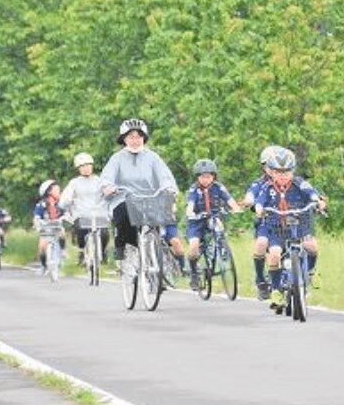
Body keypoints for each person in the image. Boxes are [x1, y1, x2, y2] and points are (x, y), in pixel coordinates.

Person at [99, 118, 184, 277]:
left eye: (138, 136)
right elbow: (107, 177)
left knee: (160, 226)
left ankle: (161, 259)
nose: (135, 140)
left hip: (151, 199)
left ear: (144, 138)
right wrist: (107, 186)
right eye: (131, 136)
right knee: (124, 214)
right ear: (124, 139)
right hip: (124, 198)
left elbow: (165, 176)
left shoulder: (153, 157)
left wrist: (169, 188)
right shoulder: (117, 158)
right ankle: (125, 251)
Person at [252, 147, 326, 311]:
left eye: (286, 172)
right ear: (272, 172)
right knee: (275, 255)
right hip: (276, 228)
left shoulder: (299, 183)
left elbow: (311, 193)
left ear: (292, 171)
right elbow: (259, 201)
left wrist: (318, 202)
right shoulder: (267, 187)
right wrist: (258, 208)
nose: (283, 176)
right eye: (278, 172)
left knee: (311, 245)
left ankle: (311, 272)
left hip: (301, 225)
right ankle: (277, 289)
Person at [183, 159, 243, 290]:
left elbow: (229, 199)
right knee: (193, 246)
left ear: (213, 176)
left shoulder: (218, 187)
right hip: (196, 221)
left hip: (214, 217)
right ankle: (194, 273)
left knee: (218, 224)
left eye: (208, 176)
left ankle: (222, 247)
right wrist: (190, 212)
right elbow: (191, 204)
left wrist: (236, 208)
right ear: (198, 177)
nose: (205, 179)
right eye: (202, 176)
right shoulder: (194, 189)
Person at [60, 152, 111, 267]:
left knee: (104, 233)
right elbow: (64, 198)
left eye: (88, 165)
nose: (86, 168)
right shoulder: (74, 183)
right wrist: (67, 200)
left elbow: (108, 192)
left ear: (92, 166)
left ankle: (102, 252)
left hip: (99, 213)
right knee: (81, 230)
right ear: (78, 169)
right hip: (82, 214)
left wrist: (109, 193)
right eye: (82, 166)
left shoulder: (100, 181)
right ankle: (82, 252)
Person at [244, 145, 279, 297]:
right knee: (261, 243)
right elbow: (251, 195)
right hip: (267, 221)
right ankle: (260, 280)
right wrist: (250, 201)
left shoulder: (290, 180)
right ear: (263, 167)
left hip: (289, 222)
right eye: (267, 166)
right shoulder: (259, 183)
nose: (271, 169)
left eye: (274, 165)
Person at [33, 180, 67, 275]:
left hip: (57, 226)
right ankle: (43, 265)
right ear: (48, 192)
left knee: (62, 233)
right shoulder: (42, 204)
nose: (58, 191)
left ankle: (63, 251)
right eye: (55, 189)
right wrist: (37, 224)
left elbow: (66, 213)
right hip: (46, 227)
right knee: (42, 245)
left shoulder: (61, 203)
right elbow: (36, 216)